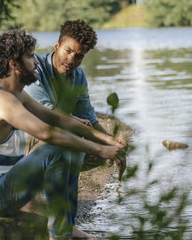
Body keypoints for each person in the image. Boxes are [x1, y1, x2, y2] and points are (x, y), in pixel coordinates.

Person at [0, 29, 126, 240]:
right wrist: (99, 149)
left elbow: (58, 119)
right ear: (14, 64)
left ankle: (66, 227)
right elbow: (48, 132)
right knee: (57, 148)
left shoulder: (16, 95)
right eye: (30, 57)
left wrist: (106, 141)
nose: (36, 62)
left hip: (5, 184)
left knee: (72, 145)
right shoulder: (1, 101)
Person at [24, 19, 126, 176]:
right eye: (68, 51)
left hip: (55, 137)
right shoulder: (34, 67)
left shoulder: (78, 75)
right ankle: (30, 176)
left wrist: (112, 144)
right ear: (57, 46)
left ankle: (55, 180)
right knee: (73, 134)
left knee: (97, 151)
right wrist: (106, 141)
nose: (72, 60)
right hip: (25, 140)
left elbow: (90, 119)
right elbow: (50, 116)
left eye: (79, 56)